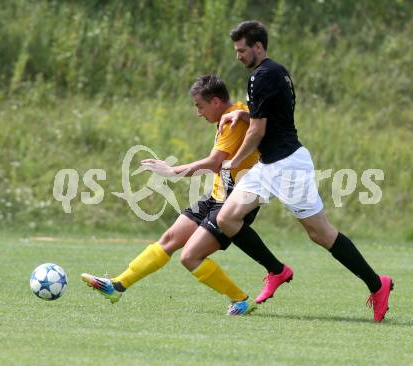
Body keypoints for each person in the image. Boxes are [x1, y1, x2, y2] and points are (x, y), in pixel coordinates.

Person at [215, 21, 393, 322]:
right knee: (227, 218)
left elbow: (257, 131)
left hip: (287, 166)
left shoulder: (261, 76)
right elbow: (273, 116)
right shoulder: (277, 71)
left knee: (320, 233)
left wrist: (234, 161)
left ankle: (378, 285)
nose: (238, 56)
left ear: (258, 47)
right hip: (271, 164)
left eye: (242, 50)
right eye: (236, 51)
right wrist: (243, 113)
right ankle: (277, 270)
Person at [81, 75, 292, 315]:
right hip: (216, 196)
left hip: (235, 202)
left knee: (190, 257)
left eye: (199, 106)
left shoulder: (233, 122)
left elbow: (214, 163)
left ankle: (240, 299)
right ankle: (117, 286)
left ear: (215, 101)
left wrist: (172, 171)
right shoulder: (232, 116)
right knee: (170, 239)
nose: (198, 113)